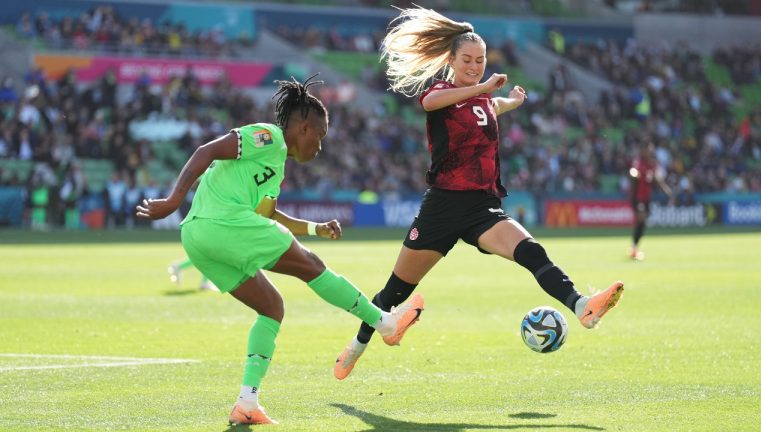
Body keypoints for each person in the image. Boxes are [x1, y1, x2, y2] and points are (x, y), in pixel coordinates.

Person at [333, 7, 624, 381]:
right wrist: (484, 88)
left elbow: (489, 107)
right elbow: (429, 104)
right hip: (442, 208)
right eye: (467, 60)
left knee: (531, 251)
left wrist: (510, 101)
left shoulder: (483, 98)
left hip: (482, 207)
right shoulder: (442, 91)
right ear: (451, 61)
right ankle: (354, 349)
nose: (474, 65)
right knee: (393, 294)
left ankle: (582, 305)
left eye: (480, 60)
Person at [136, 75, 424, 425]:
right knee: (311, 266)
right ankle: (384, 323)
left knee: (272, 307)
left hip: (199, 240)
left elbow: (268, 217)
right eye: (320, 136)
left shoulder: (275, 168)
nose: (320, 146)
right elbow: (206, 151)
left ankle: (247, 402)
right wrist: (173, 200)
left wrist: (316, 228)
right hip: (219, 223)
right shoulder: (268, 137)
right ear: (304, 127)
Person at [628, 140, 674, 260]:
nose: (650, 151)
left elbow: (658, 180)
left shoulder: (653, 165)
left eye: (651, 149)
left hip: (647, 198)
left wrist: (667, 191)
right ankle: (634, 249)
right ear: (643, 150)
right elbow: (633, 170)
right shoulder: (639, 162)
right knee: (641, 217)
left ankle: (634, 248)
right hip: (637, 198)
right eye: (648, 148)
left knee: (642, 223)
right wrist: (634, 174)